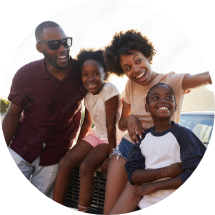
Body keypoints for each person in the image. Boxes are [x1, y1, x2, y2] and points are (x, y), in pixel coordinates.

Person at [102, 29, 212, 215]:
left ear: (147, 56)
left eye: (138, 60)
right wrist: (131, 119)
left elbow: (204, 77)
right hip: (127, 148)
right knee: (107, 210)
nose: (135, 70)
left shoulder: (171, 81)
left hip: (153, 156)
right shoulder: (130, 85)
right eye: (127, 68)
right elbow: (121, 123)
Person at [2, 21, 86, 200]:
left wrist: (77, 149)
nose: (63, 48)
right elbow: (13, 114)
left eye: (66, 42)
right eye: (55, 44)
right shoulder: (25, 74)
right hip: (21, 148)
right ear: (40, 47)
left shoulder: (83, 73)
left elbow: (91, 112)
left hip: (56, 154)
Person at [52, 49, 124, 212]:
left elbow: (111, 125)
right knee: (64, 163)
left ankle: (83, 210)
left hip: (112, 137)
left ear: (104, 74)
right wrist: (78, 147)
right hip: (96, 134)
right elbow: (87, 122)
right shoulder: (87, 94)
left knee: (86, 167)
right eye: (85, 74)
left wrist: (112, 156)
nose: (90, 78)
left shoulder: (110, 89)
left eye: (95, 73)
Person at [125, 83, 207, 210]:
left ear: (175, 106)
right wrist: (167, 171)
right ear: (147, 107)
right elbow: (133, 175)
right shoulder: (142, 137)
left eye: (169, 98)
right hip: (144, 205)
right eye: (156, 98)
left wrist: (156, 185)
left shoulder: (184, 134)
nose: (163, 100)